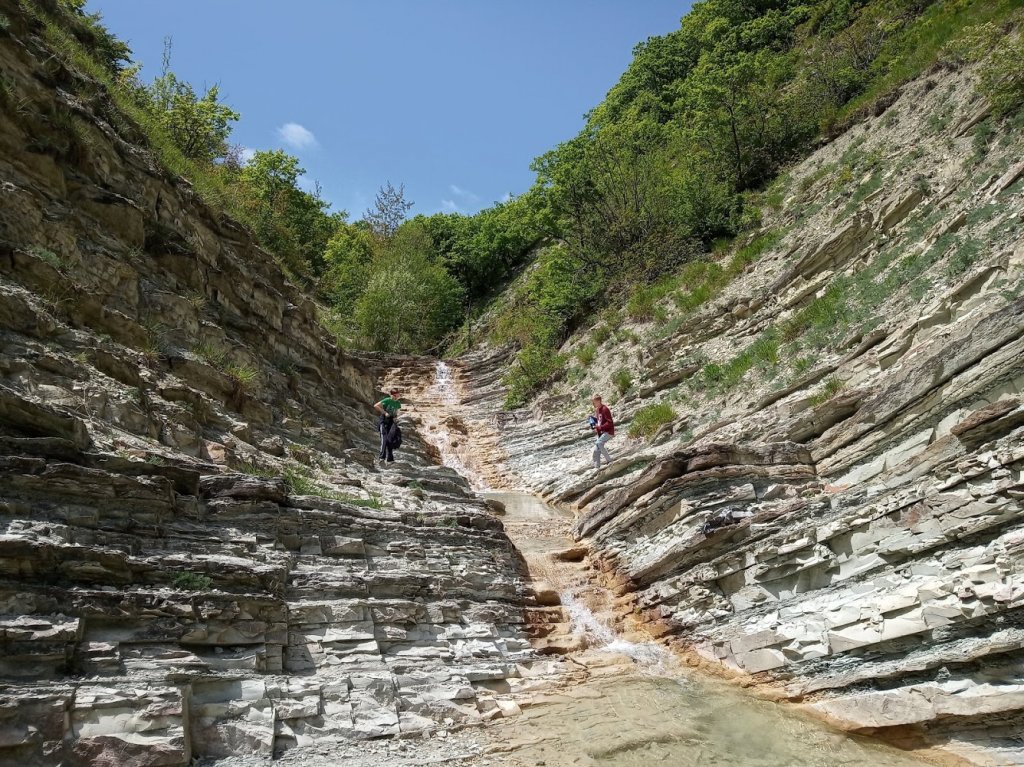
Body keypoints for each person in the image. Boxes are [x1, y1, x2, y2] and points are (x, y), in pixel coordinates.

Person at [374, 389, 401, 462]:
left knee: (390, 439)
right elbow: (376, 405)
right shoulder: (387, 400)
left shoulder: (398, 403)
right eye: (395, 395)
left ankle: (390, 459)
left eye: (397, 395)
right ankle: (381, 457)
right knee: (384, 438)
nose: (396, 396)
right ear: (392, 395)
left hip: (391, 422)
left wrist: (396, 419)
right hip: (384, 420)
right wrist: (384, 412)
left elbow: (396, 413)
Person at [590, 395, 614, 470]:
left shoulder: (605, 409)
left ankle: (609, 461)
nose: (593, 404)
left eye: (594, 402)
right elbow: (599, 422)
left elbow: (609, 422)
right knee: (596, 450)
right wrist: (595, 426)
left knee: (599, 443)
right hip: (602, 433)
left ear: (598, 401)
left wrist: (600, 427)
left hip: (608, 432)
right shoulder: (597, 410)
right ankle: (597, 467)